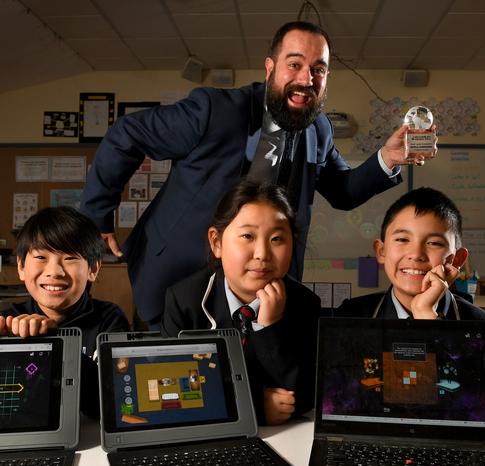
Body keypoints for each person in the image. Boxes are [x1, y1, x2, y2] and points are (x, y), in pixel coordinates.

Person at [80, 20, 423, 328]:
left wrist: (387, 158)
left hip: (262, 286)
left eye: (319, 69)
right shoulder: (214, 111)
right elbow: (127, 134)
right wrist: (96, 215)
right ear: (270, 68)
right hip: (177, 274)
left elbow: (343, 191)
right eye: (295, 65)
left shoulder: (319, 129)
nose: (306, 79)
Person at [162, 181, 320, 426]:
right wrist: (254, 406)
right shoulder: (185, 301)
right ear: (217, 243)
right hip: (210, 440)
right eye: (247, 236)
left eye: (277, 238)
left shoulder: (305, 304)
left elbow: (307, 395)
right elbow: (174, 396)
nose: (262, 254)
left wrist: (269, 328)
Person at [0, 207, 129, 418]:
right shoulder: (9, 323)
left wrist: (57, 340)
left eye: (70, 258)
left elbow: (114, 402)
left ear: (93, 269)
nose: (54, 271)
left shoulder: (110, 319)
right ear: (21, 267)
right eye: (41, 257)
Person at [337, 187, 485, 321]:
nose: (416, 254)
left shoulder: (483, 325)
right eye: (403, 239)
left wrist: (425, 313)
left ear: (457, 259)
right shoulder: (350, 316)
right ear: (381, 251)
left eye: (434, 243)